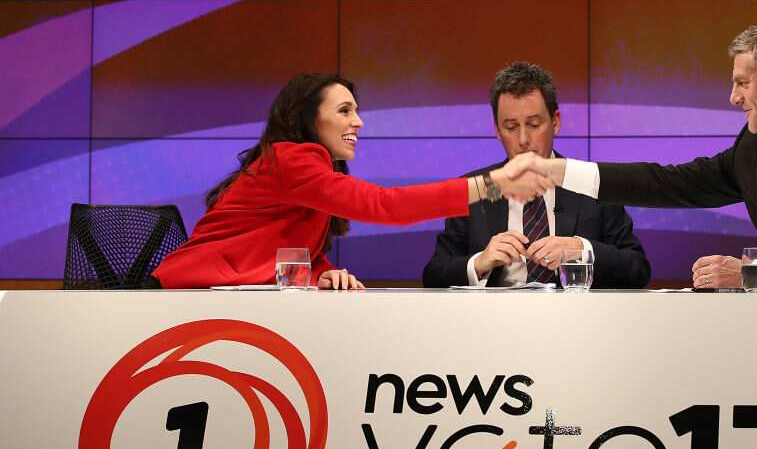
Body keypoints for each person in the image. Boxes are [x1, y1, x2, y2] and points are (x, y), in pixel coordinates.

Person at [505, 20, 757, 292]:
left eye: (742, 83)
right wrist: (558, 171)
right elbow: (672, 183)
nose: (734, 97)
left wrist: (749, 275)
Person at [153, 73, 552, 289]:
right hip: (186, 297)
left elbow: (289, 244)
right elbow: (387, 205)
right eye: (344, 111)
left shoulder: (305, 168)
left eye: (356, 110)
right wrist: (493, 184)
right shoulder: (292, 159)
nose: (358, 122)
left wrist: (322, 272)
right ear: (310, 119)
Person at [422, 61, 650, 288]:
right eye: (511, 127)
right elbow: (434, 275)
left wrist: (582, 250)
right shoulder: (477, 189)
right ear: (497, 131)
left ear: (555, 122)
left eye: (533, 124)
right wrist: (479, 263)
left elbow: (638, 269)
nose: (523, 140)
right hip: (494, 311)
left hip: (574, 310)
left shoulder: (591, 183)